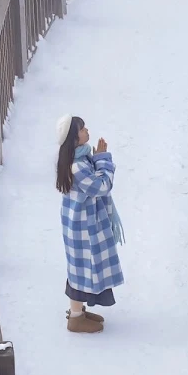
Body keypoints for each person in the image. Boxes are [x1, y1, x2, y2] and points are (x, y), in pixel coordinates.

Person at [55, 114, 124, 335]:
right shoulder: (76, 166)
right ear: (74, 139)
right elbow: (101, 186)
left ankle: (80, 311)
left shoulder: (79, 159)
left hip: (82, 223)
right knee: (81, 269)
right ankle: (75, 318)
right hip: (82, 227)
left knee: (83, 267)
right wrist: (103, 160)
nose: (87, 131)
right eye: (83, 129)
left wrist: (97, 158)